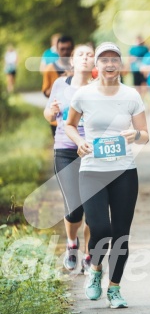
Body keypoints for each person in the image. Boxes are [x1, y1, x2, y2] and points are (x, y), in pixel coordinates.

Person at [65, 42, 149, 308]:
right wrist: (78, 141)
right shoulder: (83, 94)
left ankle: (114, 288)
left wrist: (135, 135)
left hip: (124, 171)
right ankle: (95, 269)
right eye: (104, 60)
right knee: (100, 228)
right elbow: (69, 124)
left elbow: (144, 135)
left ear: (120, 65)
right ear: (97, 65)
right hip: (92, 170)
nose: (110, 65)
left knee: (121, 233)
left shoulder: (131, 95)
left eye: (114, 60)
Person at [44, 44, 95, 273]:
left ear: (95, 62)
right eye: (80, 55)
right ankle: (71, 243)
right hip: (65, 150)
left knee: (93, 207)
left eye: (90, 55)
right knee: (75, 208)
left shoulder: (99, 87)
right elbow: (48, 115)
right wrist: (52, 110)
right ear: (72, 61)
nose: (85, 58)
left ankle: (89, 254)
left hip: (93, 152)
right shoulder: (60, 85)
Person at [42, 35, 74, 136]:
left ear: (73, 49)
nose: (65, 52)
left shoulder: (80, 68)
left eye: (68, 49)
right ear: (57, 49)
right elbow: (46, 93)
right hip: (57, 119)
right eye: (62, 49)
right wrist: (59, 83)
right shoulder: (50, 69)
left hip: (77, 119)